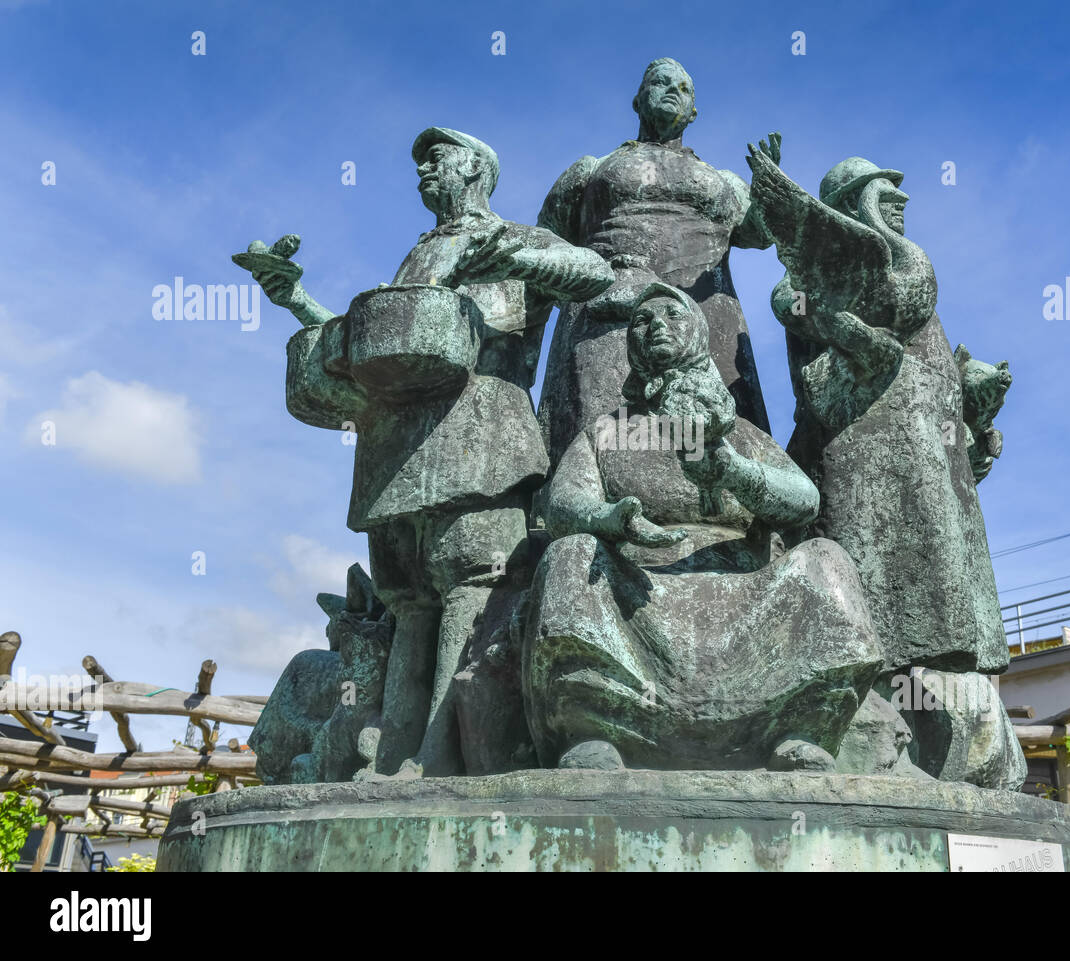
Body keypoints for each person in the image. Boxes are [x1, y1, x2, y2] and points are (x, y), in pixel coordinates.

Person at [244, 127, 613, 777]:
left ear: (477, 169)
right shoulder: (419, 253)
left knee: (471, 600)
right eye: (422, 162)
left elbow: (594, 271)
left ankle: (440, 758)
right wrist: (295, 299)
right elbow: (377, 343)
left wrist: (517, 258)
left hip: (483, 451)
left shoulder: (512, 237)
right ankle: (394, 759)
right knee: (410, 610)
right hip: (398, 459)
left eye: (438, 159)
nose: (424, 170)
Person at [522, 283, 883, 772]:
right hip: (636, 587)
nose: (656, 328)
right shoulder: (607, 432)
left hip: (746, 586)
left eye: (672, 315)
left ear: (696, 331)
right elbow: (562, 504)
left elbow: (803, 502)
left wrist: (734, 470)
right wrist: (610, 520)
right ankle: (596, 730)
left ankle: (799, 729)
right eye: (642, 323)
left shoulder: (741, 434)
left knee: (825, 560)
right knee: (571, 555)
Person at [535, 57, 780, 475]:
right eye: (659, 83)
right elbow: (546, 243)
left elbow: (760, 234)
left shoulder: (722, 180)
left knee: (723, 439)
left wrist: (771, 193)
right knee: (600, 434)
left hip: (705, 315)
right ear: (637, 100)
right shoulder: (593, 169)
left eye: (682, 88)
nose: (671, 91)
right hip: (611, 312)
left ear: (694, 111)